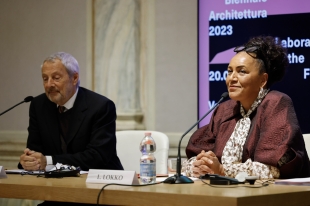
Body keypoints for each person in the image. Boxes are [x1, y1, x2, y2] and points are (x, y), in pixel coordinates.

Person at [184, 36, 310, 179]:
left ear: (263, 80)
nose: (232, 78)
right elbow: (194, 158)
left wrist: (222, 170)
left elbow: (272, 170)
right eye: (230, 71)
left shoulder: (276, 103)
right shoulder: (224, 110)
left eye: (242, 71)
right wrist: (198, 166)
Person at [19, 52, 123, 172]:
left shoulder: (100, 106)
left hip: (100, 181)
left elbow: (97, 156)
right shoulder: (38, 105)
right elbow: (34, 150)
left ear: (74, 78)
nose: (49, 85)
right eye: (45, 79)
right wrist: (29, 161)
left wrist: (49, 161)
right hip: (55, 181)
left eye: (56, 78)